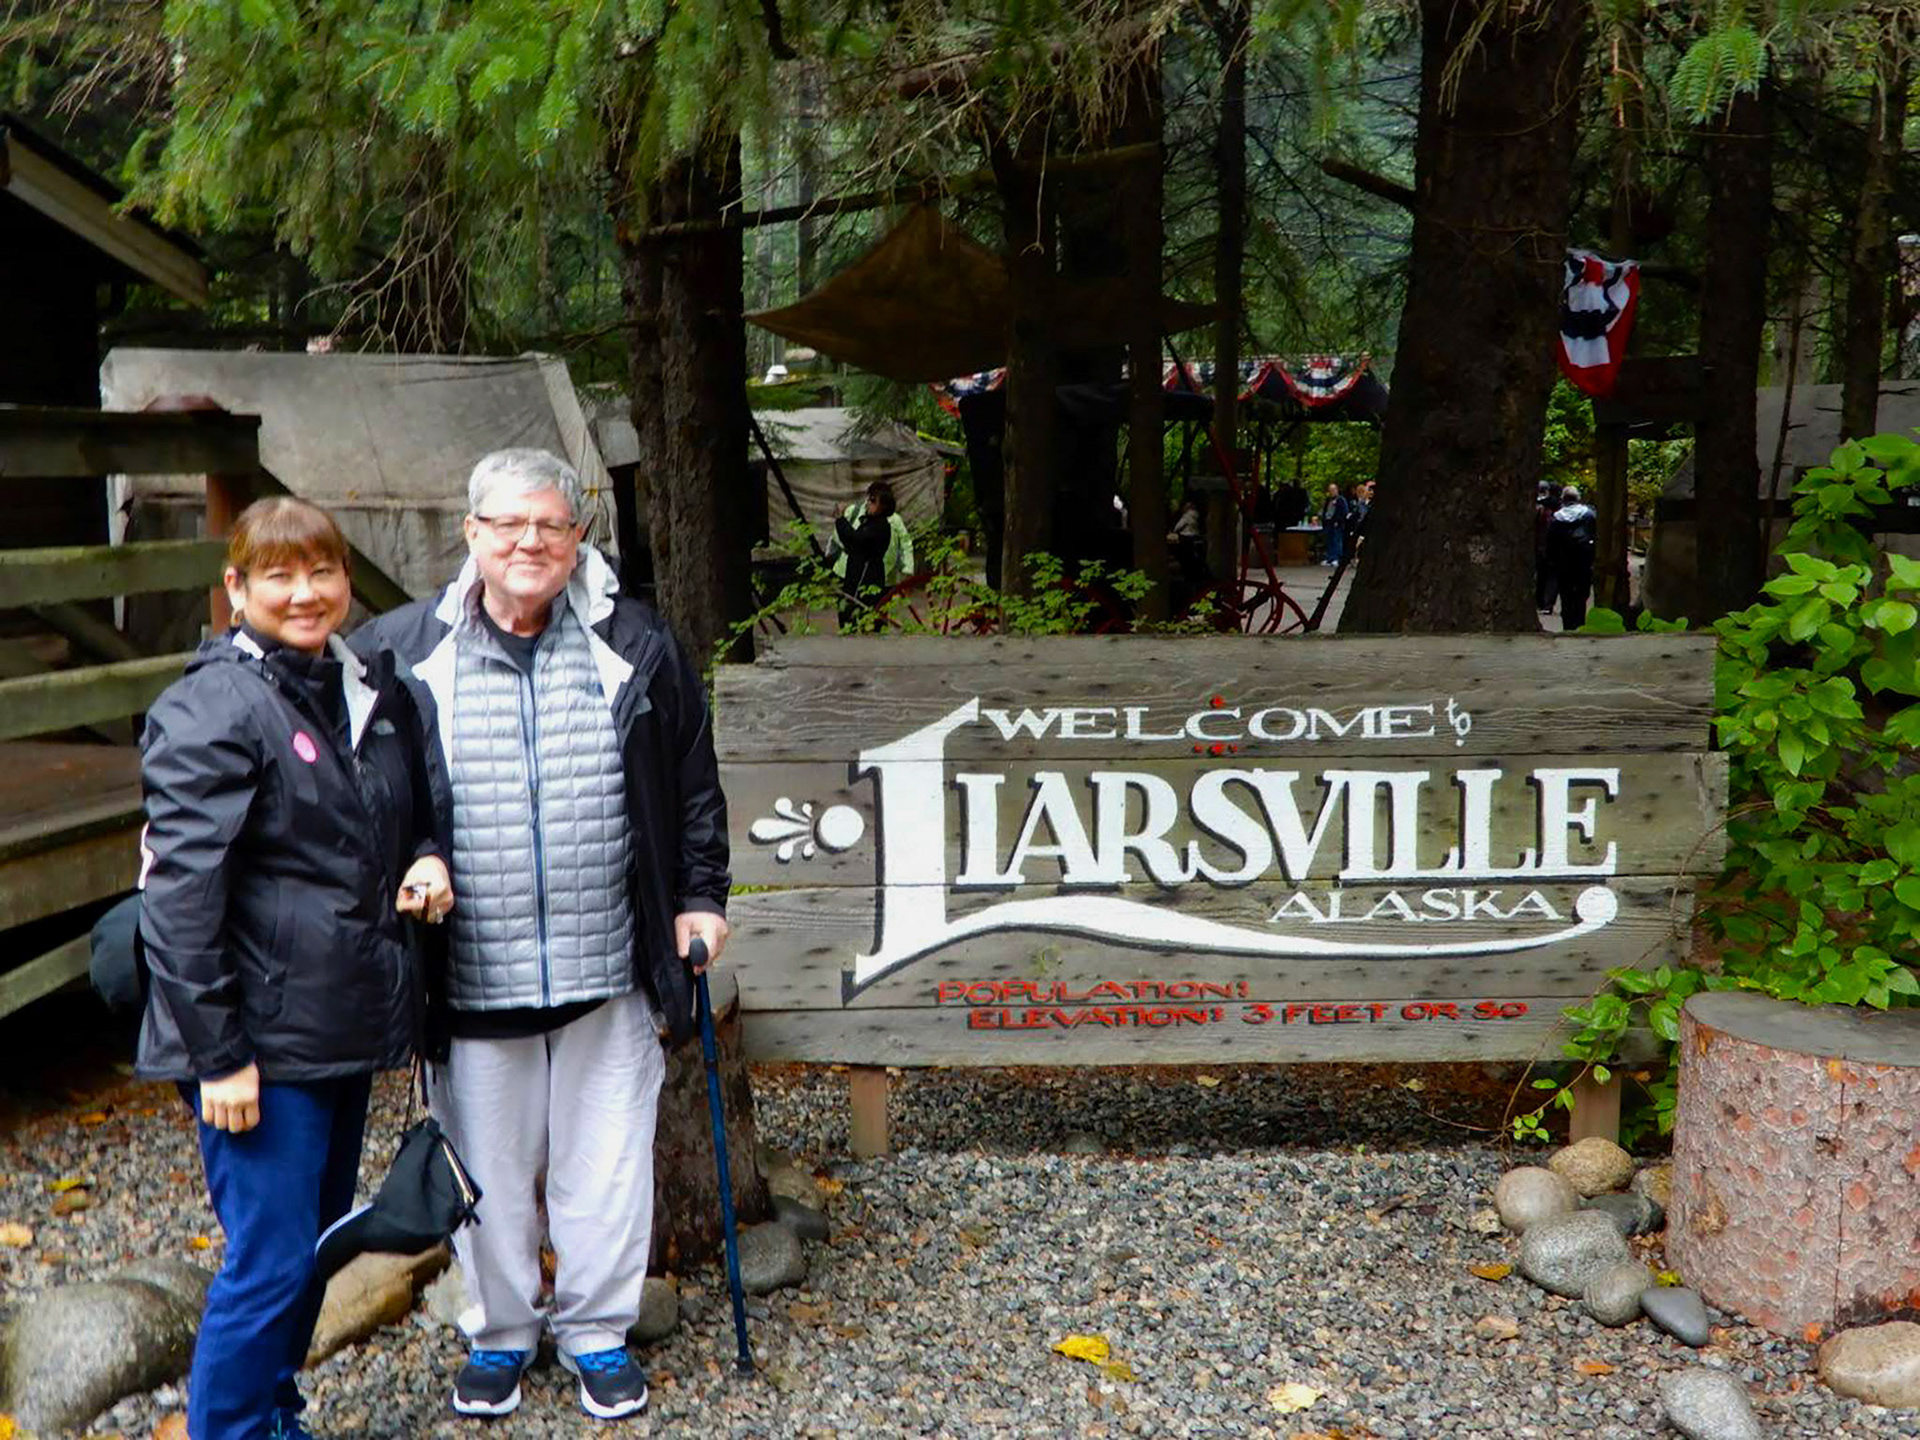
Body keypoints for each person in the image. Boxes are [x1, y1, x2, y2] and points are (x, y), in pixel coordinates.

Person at [355, 449, 731, 1422]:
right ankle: (501, 1334)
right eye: (508, 524)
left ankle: (597, 1331)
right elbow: (366, 796)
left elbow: (692, 781)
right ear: (471, 534)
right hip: (472, 975)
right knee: (484, 1175)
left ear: (577, 538)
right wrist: (412, 860)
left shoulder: (635, 642)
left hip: (610, 965)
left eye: (550, 525)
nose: (530, 541)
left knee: (605, 1171)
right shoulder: (401, 649)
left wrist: (702, 896)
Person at [137, 497, 452, 1440]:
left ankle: (275, 1411)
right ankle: (230, 1429)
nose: (305, 593)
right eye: (278, 575)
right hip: (257, 1043)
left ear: (347, 580)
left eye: (322, 571)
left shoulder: (367, 687)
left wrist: (424, 860)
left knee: (311, 1246)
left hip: (338, 1021)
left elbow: (408, 815)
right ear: (236, 589)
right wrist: (220, 1056)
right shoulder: (213, 706)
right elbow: (180, 895)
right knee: (270, 1259)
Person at [835, 481, 898, 630]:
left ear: (883, 506)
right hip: (856, 575)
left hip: (866, 578)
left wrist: (841, 519)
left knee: (862, 614)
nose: (868, 503)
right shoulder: (870, 523)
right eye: (869, 499)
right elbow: (851, 543)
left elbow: (855, 540)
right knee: (848, 613)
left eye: (873, 500)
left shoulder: (880, 526)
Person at [1547, 484, 1599, 630]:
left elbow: (1550, 543)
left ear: (1563, 499)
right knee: (1582, 594)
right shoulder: (1589, 515)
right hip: (1584, 561)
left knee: (1565, 594)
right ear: (1578, 498)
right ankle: (1579, 622)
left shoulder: (1556, 519)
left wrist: (1551, 561)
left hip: (1563, 562)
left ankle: (1567, 625)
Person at [1534, 483, 1559, 614]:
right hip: (1554, 548)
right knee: (1552, 577)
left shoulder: (1539, 509)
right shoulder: (1559, 510)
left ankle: (1539, 601)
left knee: (1541, 575)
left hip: (1540, 546)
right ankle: (1548, 603)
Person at [1321, 483, 1351, 567]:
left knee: (1337, 541)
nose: (1332, 492)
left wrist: (1338, 520)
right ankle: (1329, 558)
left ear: (1337, 490)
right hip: (1328, 522)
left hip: (1337, 524)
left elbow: (1344, 512)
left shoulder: (1341, 500)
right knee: (1329, 541)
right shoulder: (1328, 500)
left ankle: (1337, 558)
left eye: (1333, 490)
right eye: (1330, 490)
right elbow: (1325, 510)